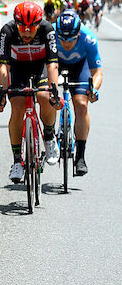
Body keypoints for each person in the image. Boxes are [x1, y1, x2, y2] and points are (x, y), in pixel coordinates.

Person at [0, 1, 62, 183]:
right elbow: (4, 67)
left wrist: (54, 91)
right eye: (22, 27)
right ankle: (17, 161)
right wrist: (1, 93)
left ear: (39, 24)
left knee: (44, 96)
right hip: (18, 70)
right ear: (16, 23)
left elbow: (53, 63)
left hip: (41, 68)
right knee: (17, 107)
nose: (27, 31)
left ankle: (48, 136)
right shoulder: (7, 31)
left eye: (32, 27)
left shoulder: (47, 29)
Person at [54, 10, 103, 175]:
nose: (67, 44)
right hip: (55, 64)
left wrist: (93, 89)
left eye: (71, 39)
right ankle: (49, 134)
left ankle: (80, 157)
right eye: (63, 39)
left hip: (80, 66)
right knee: (46, 96)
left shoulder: (88, 38)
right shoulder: (50, 33)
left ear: (79, 33)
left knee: (81, 105)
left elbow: (97, 72)